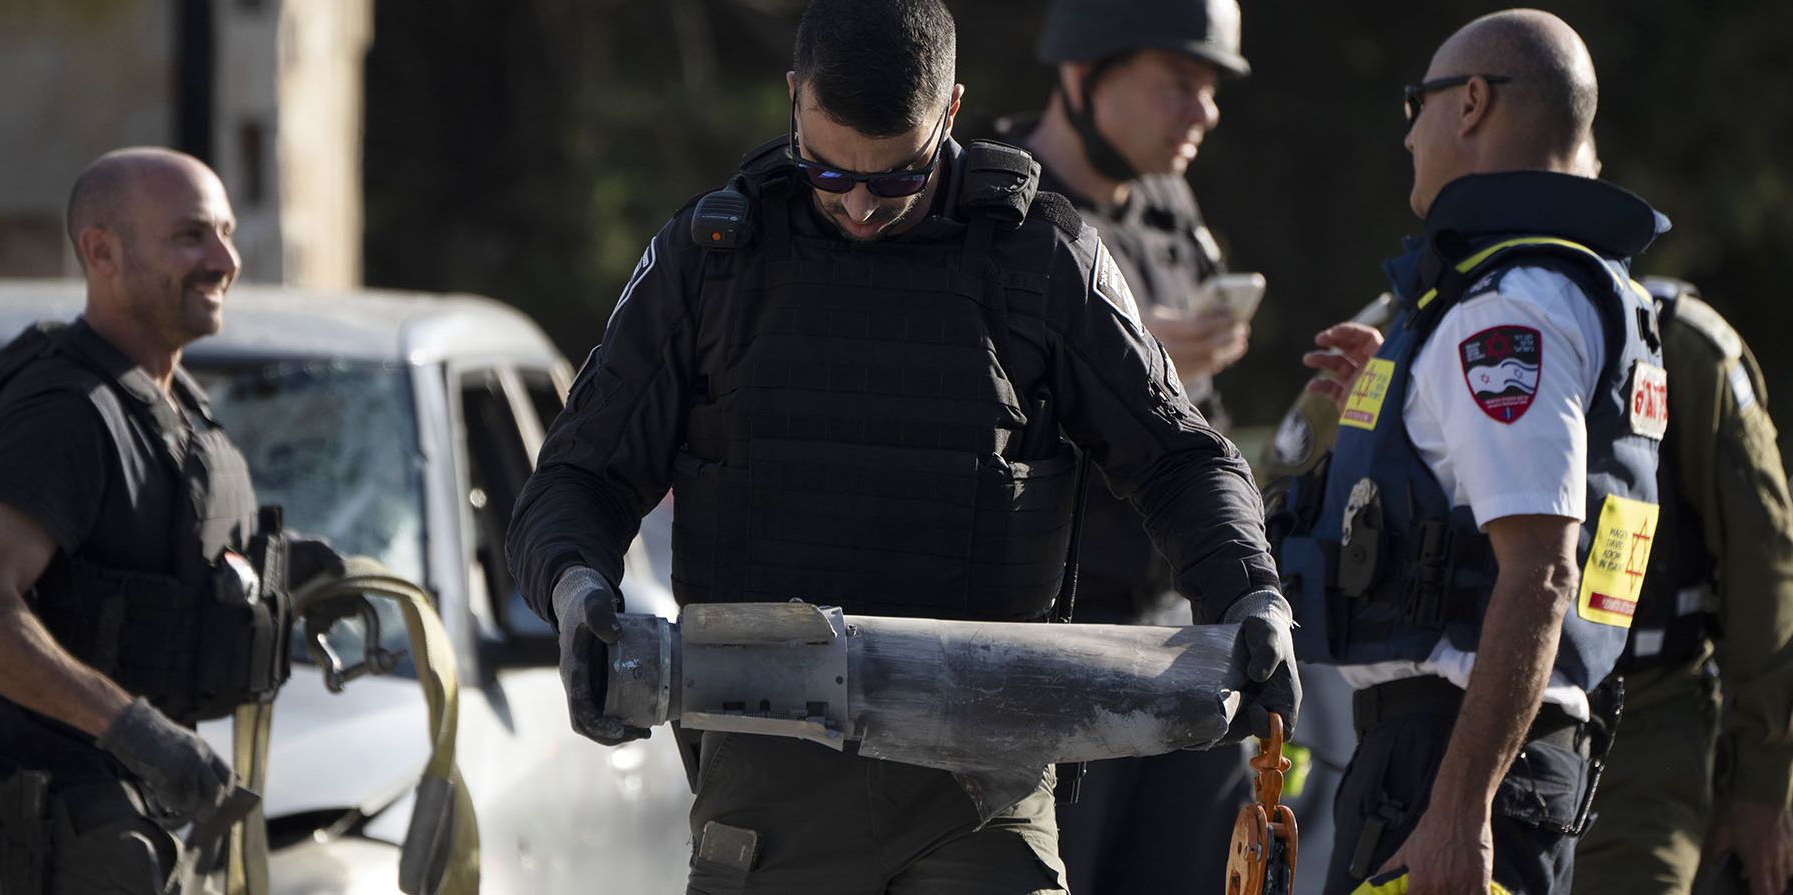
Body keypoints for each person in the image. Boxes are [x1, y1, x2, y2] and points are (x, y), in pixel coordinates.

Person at [503, 1, 1299, 891]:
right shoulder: (711, 262)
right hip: (771, 776)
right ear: (794, 97)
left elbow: (1181, 459)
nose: (857, 205)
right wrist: (578, 592)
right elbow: (578, 477)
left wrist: (1249, 594)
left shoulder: (1041, 257)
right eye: (826, 169)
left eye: (897, 178)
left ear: (951, 111)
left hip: (986, 778)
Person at [1271, 10, 1669, 894]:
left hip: (1447, 769)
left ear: (1472, 103)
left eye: (1418, 104)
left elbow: (1541, 571)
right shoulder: (1555, 294)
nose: (1409, 135)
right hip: (1474, 761)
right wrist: (1394, 401)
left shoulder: (1507, 309)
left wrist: (1458, 809)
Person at [0, 148, 309, 893]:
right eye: (190, 236)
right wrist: (135, 731)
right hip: (65, 848)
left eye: (225, 233)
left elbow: (160, 571)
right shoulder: (63, 412)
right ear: (102, 253)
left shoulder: (169, 400)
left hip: (138, 834)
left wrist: (296, 578)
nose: (225, 261)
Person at [989, 0, 1259, 890]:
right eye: (1179, 83)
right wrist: (1110, 372)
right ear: (1085, 73)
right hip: (1049, 656)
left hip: (1179, 638)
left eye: (1212, 89)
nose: (1204, 112)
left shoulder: (1171, 209)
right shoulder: (996, 211)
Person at [1571, 276, 1793, 895]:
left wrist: (1762, 784)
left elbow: (1765, 570)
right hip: (1457, 743)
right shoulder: (1426, 320)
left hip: (1638, 746)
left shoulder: (1680, 347)